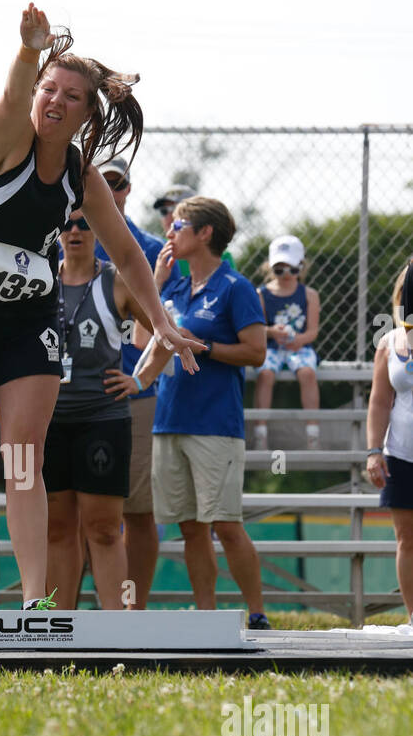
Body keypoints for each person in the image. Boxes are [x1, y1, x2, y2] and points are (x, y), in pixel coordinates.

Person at [0, 3, 202, 611]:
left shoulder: (80, 174)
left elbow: (127, 255)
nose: (54, 100)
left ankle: (34, 600)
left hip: (27, 322)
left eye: (71, 96)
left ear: (85, 114)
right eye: (49, 88)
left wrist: (164, 324)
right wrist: (29, 50)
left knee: (24, 457)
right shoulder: (1, 140)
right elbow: (10, 94)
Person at [123, 196, 272, 629]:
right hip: (169, 420)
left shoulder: (235, 287)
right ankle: (206, 617)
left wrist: (199, 344)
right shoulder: (171, 286)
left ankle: (258, 613)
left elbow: (257, 353)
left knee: (225, 525)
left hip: (214, 425)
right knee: (190, 528)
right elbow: (139, 341)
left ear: (205, 234)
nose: (169, 231)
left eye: (179, 225)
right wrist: (155, 280)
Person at [45, 208, 144, 607]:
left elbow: (163, 329)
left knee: (103, 529)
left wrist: (141, 378)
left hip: (102, 418)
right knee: (56, 529)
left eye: (84, 223)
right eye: (66, 223)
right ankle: (55, 630)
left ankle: (116, 632)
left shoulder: (115, 280)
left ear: (98, 231)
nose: (74, 230)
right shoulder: (39, 280)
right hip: (47, 420)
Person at [97, 158, 179, 608]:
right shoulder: (63, 239)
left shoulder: (151, 248)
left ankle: (132, 610)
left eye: (119, 182)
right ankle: (68, 612)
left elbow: (166, 322)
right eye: (102, 181)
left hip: (137, 393)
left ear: (129, 188)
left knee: (138, 512)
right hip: (72, 390)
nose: (110, 190)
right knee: (75, 513)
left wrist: (140, 375)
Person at [365, 261, 413, 624]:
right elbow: (379, 402)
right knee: (406, 540)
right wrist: (373, 451)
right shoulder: (389, 342)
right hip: (401, 455)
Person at [253, 235, 321, 451]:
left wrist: (299, 339)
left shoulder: (309, 294)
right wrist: (272, 332)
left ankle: (313, 433)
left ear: (301, 266)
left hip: (298, 347)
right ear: (270, 268)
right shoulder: (262, 294)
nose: (286, 275)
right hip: (272, 346)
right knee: (265, 374)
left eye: (292, 269)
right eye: (279, 270)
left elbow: (312, 331)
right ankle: (260, 433)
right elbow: (256, 328)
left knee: (307, 373)